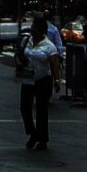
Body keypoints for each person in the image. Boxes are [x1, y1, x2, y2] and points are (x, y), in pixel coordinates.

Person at [19, 16, 58, 151]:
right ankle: (33, 133)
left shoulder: (49, 46)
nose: (31, 28)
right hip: (28, 78)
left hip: (43, 79)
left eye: (34, 26)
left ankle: (43, 140)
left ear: (40, 30)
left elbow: (54, 64)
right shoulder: (28, 40)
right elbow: (21, 55)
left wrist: (56, 80)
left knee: (42, 110)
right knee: (24, 107)